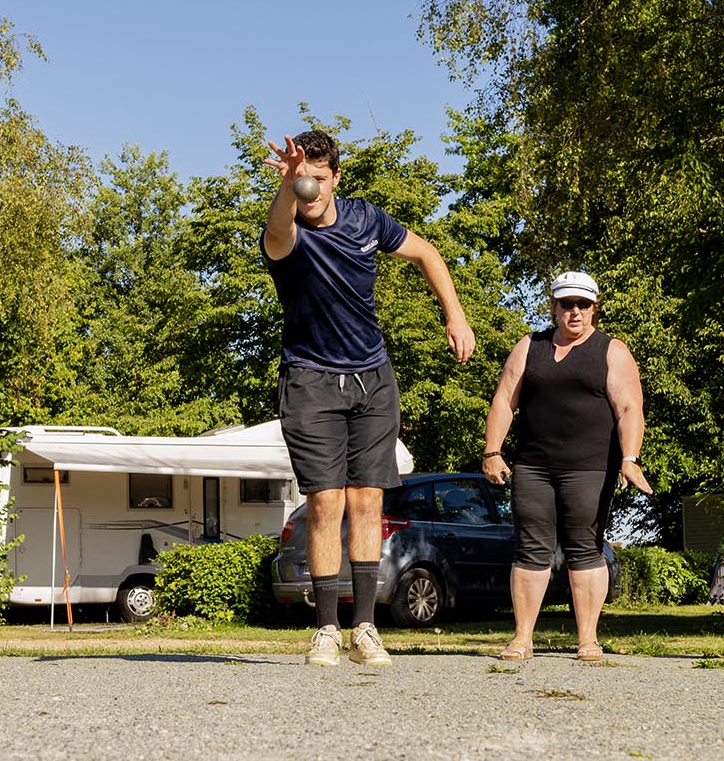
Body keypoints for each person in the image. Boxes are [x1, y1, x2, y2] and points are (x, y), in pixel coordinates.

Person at [263, 128, 476, 666]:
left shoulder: (365, 219)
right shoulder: (287, 233)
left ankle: (365, 628)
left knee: (367, 501)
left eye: (317, 175)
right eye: (300, 175)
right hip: (310, 380)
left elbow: (427, 254)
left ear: (335, 177)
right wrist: (289, 186)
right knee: (325, 501)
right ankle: (327, 630)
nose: (309, 183)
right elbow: (278, 226)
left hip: (372, 378)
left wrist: (454, 313)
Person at [482, 270, 651, 661]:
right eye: (567, 304)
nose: (575, 312)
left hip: (590, 467)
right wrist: (493, 451)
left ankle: (588, 640)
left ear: (595, 308)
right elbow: (505, 398)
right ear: (554, 307)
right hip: (533, 465)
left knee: (584, 547)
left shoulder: (612, 351)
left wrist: (630, 459)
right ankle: (522, 638)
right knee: (530, 548)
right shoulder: (530, 346)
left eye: (583, 305)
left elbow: (629, 409)